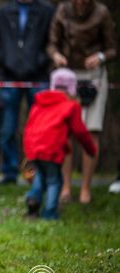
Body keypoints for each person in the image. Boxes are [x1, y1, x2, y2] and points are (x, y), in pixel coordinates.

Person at [47, 0, 117, 204]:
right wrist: (56, 55)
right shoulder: (63, 10)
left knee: (91, 130)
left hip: (94, 76)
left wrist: (101, 56)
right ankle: (66, 187)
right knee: (65, 131)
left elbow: (112, 48)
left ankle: (86, 188)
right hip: (67, 76)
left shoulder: (101, 12)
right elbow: (51, 43)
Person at [0, 0, 55, 184]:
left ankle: (38, 171)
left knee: (40, 129)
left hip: (38, 78)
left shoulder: (47, 11)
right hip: (9, 78)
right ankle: (10, 172)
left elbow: (54, 43)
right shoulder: (4, 12)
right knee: (7, 128)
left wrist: (39, 62)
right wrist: (6, 61)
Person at [23, 68, 96, 219]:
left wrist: (28, 150)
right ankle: (50, 213)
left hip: (34, 148)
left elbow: (29, 126)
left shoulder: (39, 102)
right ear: (71, 89)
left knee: (40, 176)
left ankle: (33, 199)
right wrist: (91, 149)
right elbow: (80, 132)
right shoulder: (71, 106)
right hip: (52, 150)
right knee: (55, 180)